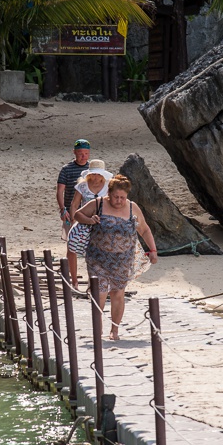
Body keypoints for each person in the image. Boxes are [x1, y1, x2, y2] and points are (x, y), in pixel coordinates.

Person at [74, 174, 158, 340]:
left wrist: (153, 250)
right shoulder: (98, 204)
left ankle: (114, 330)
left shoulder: (133, 208)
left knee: (118, 294)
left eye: (122, 197)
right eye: (115, 197)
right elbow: (77, 214)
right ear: (109, 194)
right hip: (98, 259)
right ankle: (98, 331)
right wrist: (90, 220)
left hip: (123, 260)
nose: (119, 201)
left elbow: (145, 230)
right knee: (100, 293)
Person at [67, 159, 113, 289]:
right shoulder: (82, 186)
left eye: (98, 174)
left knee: (100, 252)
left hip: (102, 222)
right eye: (93, 174)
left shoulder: (109, 186)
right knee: (71, 244)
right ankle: (74, 280)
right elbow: (75, 204)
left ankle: (95, 283)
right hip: (84, 219)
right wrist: (73, 220)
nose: (96, 177)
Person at [57, 139, 90, 285]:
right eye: (80, 153)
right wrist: (63, 209)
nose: (83, 156)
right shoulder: (66, 169)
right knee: (71, 246)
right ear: (74, 153)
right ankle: (74, 279)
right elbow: (60, 191)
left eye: (86, 153)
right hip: (70, 211)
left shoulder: (92, 170)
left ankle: (92, 280)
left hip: (89, 212)